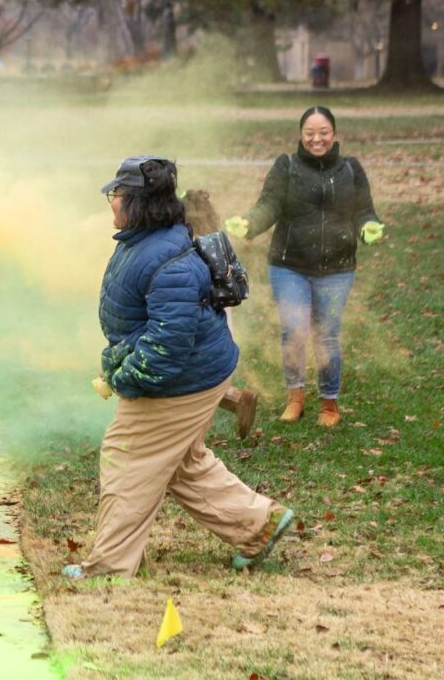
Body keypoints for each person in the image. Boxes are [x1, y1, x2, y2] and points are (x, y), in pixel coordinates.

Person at [63, 156, 293, 580]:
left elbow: (168, 345)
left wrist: (125, 376)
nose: (111, 201)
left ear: (139, 203)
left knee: (127, 457)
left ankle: (110, 566)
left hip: (181, 380)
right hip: (196, 372)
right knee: (183, 463)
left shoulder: (169, 261)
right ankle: (256, 526)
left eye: (117, 194)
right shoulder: (149, 239)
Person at [225, 106, 384, 428]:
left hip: (338, 268)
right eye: (310, 133)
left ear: (334, 135)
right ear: (301, 135)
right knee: (293, 331)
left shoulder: (350, 169)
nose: (317, 139)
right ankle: (295, 399)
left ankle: (329, 404)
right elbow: (269, 203)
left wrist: (369, 227)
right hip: (290, 266)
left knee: (327, 335)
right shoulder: (286, 166)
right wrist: (250, 223)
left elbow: (364, 209)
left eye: (323, 133)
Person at [182, 188, 259, 437]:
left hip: (202, 332)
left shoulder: (189, 252)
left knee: (192, 384)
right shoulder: (219, 246)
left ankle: (230, 404)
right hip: (223, 333)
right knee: (206, 381)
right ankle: (235, 401)